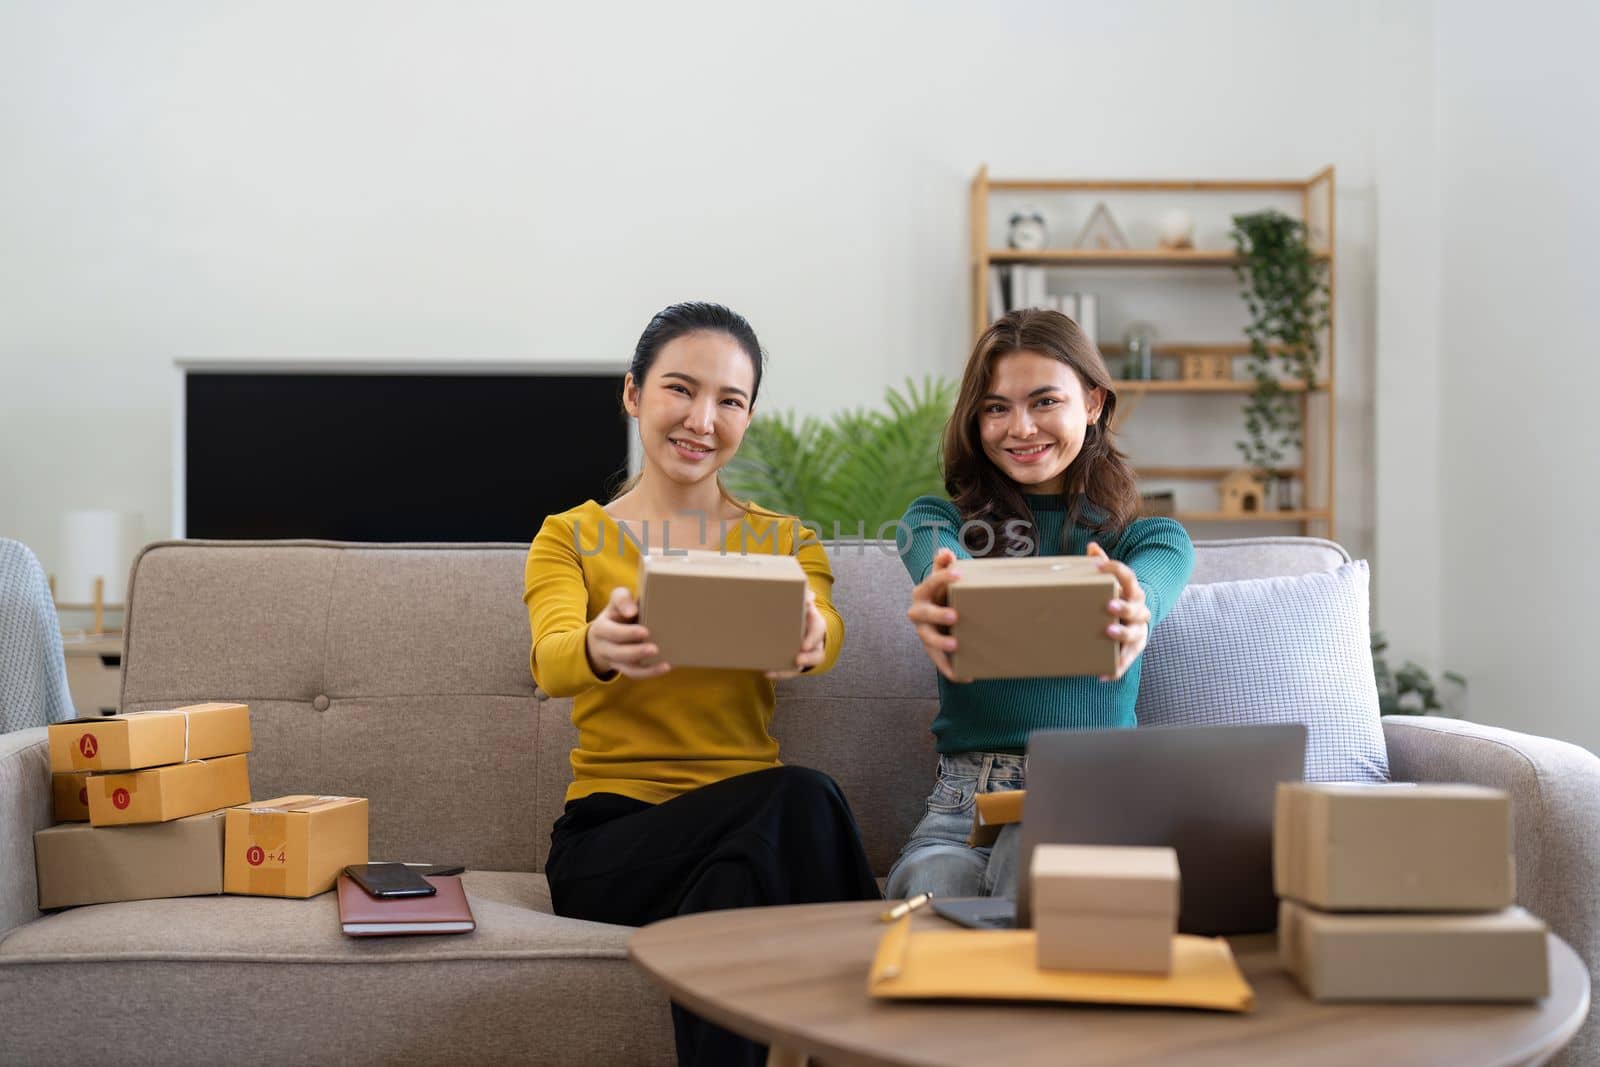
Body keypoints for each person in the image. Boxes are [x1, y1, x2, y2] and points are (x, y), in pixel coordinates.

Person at [524, 302, 879, 1067]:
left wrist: (812, 632)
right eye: (680, 389)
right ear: (633, 394)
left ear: (749, 416)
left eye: (730, 400)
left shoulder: (786, 540)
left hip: (752, 836)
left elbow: (825, 627)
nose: (702, 418)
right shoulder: (570, 536)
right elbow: (551, 658)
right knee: (805, 794)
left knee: (732, 893)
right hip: (613, 840)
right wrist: (597, 642)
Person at [887, 308, 1196, 901]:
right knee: (931, 887)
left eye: (1045, 402)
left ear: (1094, 403)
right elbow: (943, 569)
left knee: (1029, 863)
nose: (1021, 428)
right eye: (996, 408)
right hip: (965, 804)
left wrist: (1133, 606)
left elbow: (1146, 587)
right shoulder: (936, 521)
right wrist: (948, 595)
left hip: (1092, 795)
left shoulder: (1149, 538)